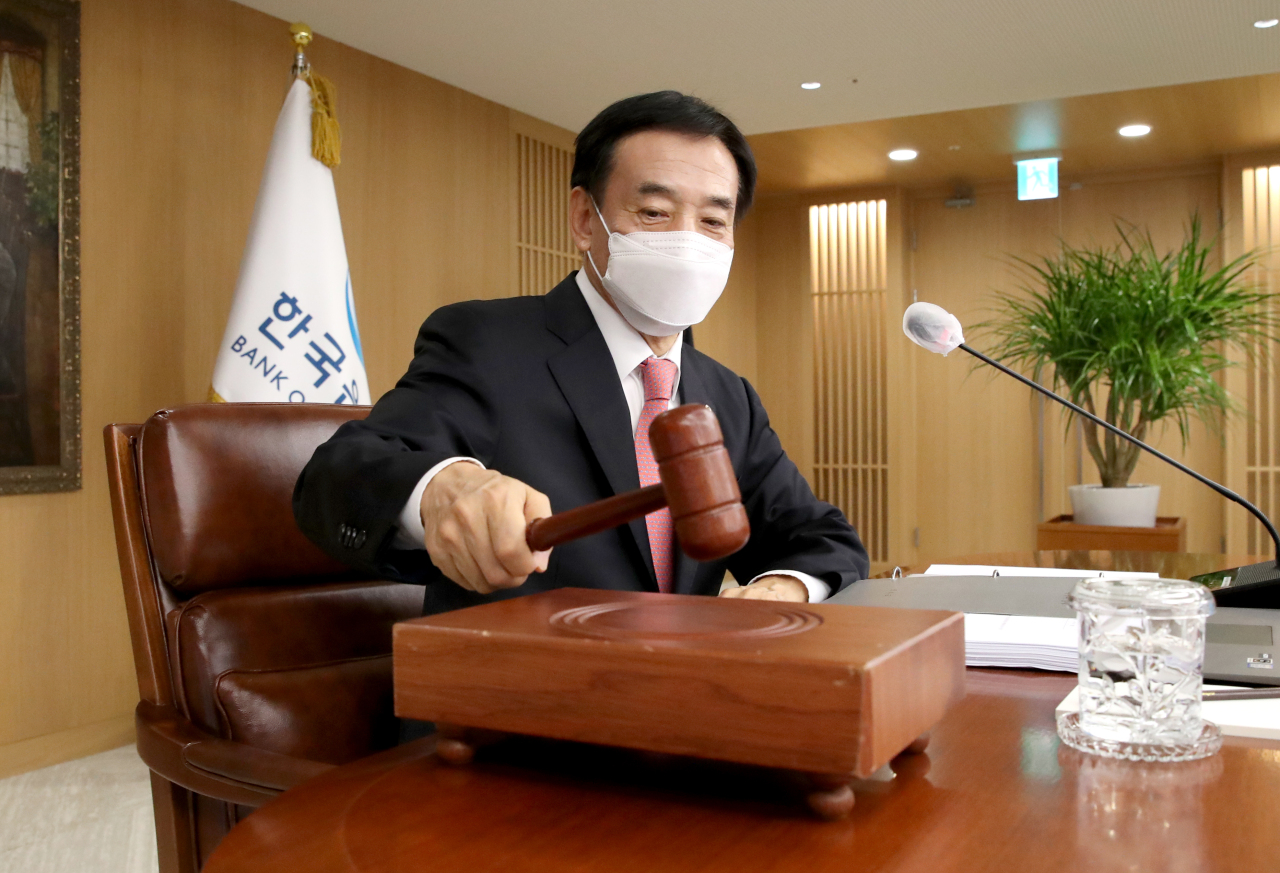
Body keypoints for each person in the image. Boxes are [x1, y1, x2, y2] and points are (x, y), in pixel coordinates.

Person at [294, 90, 868, 617]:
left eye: (713, 221)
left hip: (681, 708)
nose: (687, 240)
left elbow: (823, 540)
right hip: (517, 713)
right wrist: (444, 489)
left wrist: (780, 589)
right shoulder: (486, 342)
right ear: (583, 219)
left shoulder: (727, 396)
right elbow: (339, 475)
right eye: (653, 213)